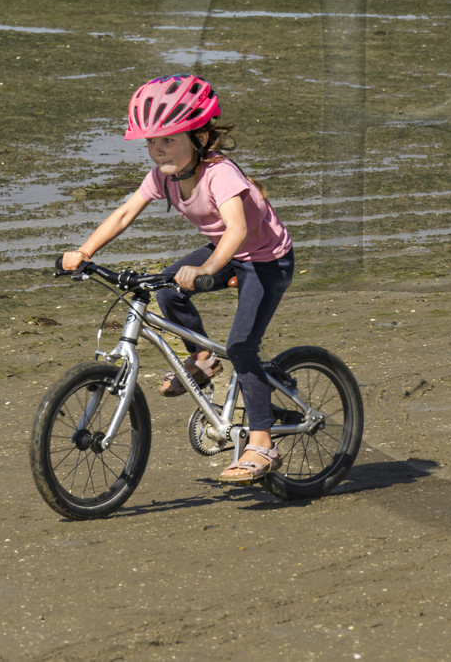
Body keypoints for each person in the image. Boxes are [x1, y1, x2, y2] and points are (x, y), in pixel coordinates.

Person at [60, 74, 297, 482]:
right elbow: (124, 213)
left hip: (264, 259)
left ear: (199, 136)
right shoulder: (163, 177)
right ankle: (202, 361)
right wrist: (84, 251)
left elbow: (237, 230)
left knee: (242, 347)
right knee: (165, 289)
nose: (157, 150)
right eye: (151, 142)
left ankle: (262, 443)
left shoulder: (220, 174)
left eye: (168, 140)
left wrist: (206, 269)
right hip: (226, 250)